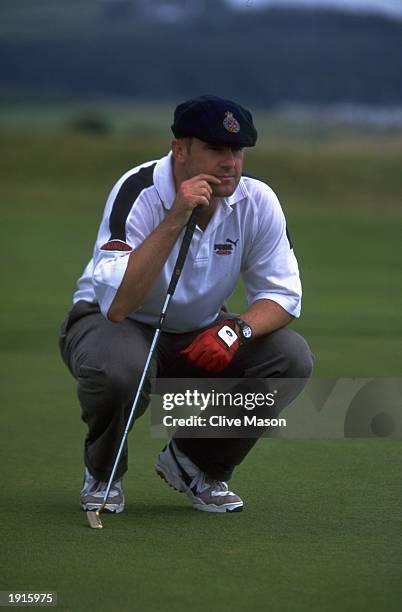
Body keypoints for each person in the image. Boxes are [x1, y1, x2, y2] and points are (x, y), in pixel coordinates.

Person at [59, 95, 313, 514]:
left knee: (291, 357)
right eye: (215, 149)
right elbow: (119, 304)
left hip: (199, 329)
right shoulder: (137, 190)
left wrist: (235, 330)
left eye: (236, 150)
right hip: (112, 324)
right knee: (119, 369)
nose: (229, 162)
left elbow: (283, 295)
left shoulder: (257, 200)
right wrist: (176, 216)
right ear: (180, 149)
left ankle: (194, 463)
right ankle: (103, 474)